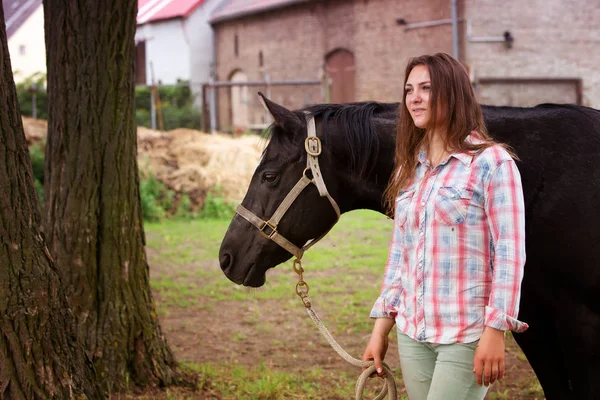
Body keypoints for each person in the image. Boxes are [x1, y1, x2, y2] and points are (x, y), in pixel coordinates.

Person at [362, 53, 528, 400]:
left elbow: (510, 254)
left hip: (466, 334)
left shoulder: (492, 163)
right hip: (412, 332)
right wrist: (382, 327)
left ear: (453, 94)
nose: (414, 98)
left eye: (426, 88)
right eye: (409, 89)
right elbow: (400, 255)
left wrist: (496, 329)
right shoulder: (409, 169)